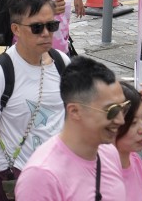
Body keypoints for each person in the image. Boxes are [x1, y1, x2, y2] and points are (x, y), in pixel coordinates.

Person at [0, 0, 71, 201]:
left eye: (51, 25)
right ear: (16, 29)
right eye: (37, 27)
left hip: (59, 176)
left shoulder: (63, 63)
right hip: (15, 178)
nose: (46, 33)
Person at [14, 56, 128, 200]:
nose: (121, 120)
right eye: (111, 110)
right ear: (74, 111)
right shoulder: (41, 176)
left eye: (123, 108)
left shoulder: (110, 154)